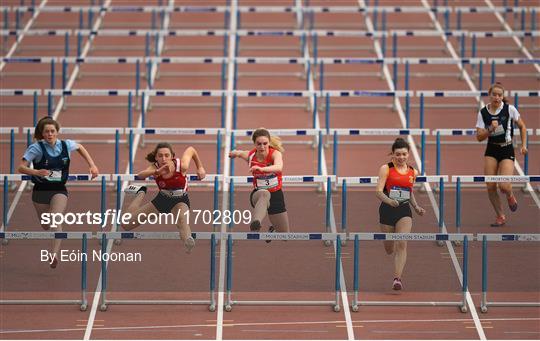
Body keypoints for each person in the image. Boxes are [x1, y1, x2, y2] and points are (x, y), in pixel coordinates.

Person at [18, 117, 99, 268]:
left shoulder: (65, 144)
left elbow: (80, 147)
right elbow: (21, 168)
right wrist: (36, 171)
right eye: (47, 132)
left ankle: (54, 254)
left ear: (57, 132)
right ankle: (47, 223)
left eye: (52, 131)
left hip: (59, 190)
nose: (50, 134)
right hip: (40, 191)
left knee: (56, 218)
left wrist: (92, 165)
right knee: (45, 225)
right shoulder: (36, 148)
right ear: (42, 134)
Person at [121, 143, 205, 254]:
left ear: (172, 156)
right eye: (160, 156)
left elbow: (191, 149)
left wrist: (200, 167)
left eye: (166, 155)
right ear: (156, 157)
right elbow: (141, 175)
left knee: (181, 220)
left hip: (180, 200)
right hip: (162, 199)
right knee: (126, 225)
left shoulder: (182, 165)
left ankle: (188, 241)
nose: (163, 158)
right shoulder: (155, 167)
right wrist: (156, 172)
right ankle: (141, 192)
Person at [376, 138, 425, 290]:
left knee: (402, 242)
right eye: (398, 154)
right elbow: (378, 191)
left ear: (408, 154)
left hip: (404, 210)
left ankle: (397, 279)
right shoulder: (386, 168)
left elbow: (409, 192)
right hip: (387, 209)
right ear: (393, 154)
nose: (401, 157)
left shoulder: (413, 172)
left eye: (404, 154)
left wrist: (416, 207)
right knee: (389, 249)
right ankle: (391, 247)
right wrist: (390, 201)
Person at [476, 82, 528, 227]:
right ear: (489, 95)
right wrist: (490, 130)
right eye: (494, 95)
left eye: (500, 95)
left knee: (504, 186)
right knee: (491, 186)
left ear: (503, 96)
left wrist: (523, 145)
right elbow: (479, 137)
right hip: (491, 149)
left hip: (506, 149)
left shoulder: (510, 109)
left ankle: (510, 194)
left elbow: (523, 127)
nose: (497, 98)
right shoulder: (483, 112)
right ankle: (500, 216)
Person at [229, 128, 290, 237]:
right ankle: (256, 223)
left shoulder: (275, 154)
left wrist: (262, 169)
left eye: (265, 143)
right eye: (259, 144)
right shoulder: (251, 156)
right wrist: (234, 153)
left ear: (269, 143)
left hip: (276, 195)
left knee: (285, 236)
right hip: (258, 195)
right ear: (254, 144)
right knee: (264, 193)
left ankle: (274, 228)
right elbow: (240, 153)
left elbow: (279, 167)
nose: (262, 147)